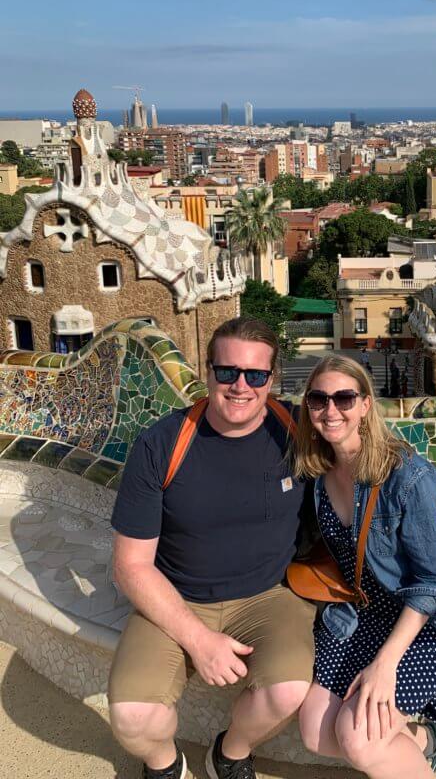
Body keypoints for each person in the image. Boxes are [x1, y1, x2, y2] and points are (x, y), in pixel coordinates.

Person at [109, 317, 315, 779]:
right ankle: (166, 766)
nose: (240, 386)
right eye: (227, 372)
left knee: (286, 691)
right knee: (133, 719)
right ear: (208, 372)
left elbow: (363, 454)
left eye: (255, 375)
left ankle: (231, 752)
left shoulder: (295, 431)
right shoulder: (163, 443)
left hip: (269, 596)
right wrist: (198, 641)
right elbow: (131, 566)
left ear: (272, 379)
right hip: (177, 596)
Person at [292, 354, 436, 779]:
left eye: (344, 398)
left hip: (427, 628)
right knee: (314, 731)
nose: (331, 410)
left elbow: (434, 582)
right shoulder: (319, 477)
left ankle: (433, 741)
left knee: (358, 736)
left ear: (364, 404)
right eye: (319, 399)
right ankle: (428, 743)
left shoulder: (408, 476)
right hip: (363, 619)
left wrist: (385, 664)